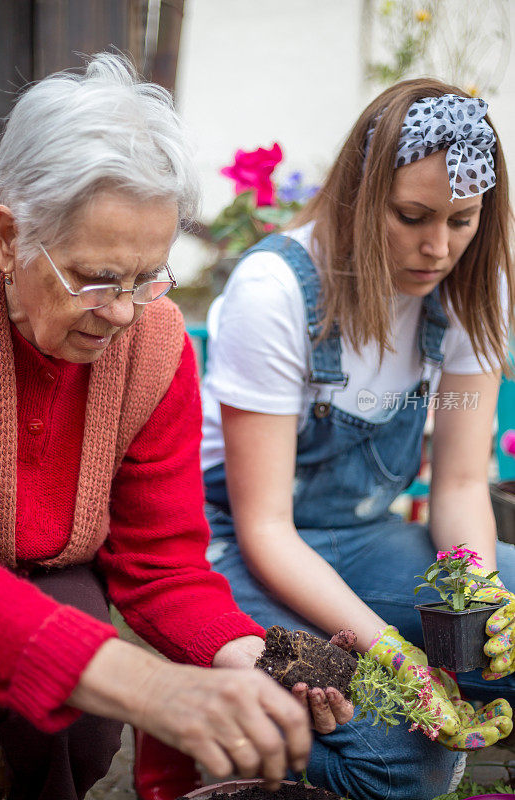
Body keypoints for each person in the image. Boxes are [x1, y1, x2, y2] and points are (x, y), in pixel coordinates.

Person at [0, 52, 349, 800]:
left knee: (79, 729)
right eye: (94, 278)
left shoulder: (152, 347)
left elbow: (162, 562)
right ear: (10, 237)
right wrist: (143, 683)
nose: (123, 312)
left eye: (147, 276)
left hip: (56, 573)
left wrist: (246, 656)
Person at [198, 80, 515, 800]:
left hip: (363, 540)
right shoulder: (276, 292)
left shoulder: (470, 285)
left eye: (461, 220)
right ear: (359, 195)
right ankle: (241, 740)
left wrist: (483, 603)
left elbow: (462, 484)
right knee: (410, 762)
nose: (437, 247)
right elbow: (266, 528)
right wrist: (394, 655)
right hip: (248, 554)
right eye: (411, 217)